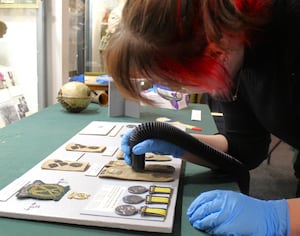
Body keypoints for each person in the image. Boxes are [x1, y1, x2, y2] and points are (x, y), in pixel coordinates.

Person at [104, 0, 300, 235]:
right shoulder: (235, 57)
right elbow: (245, 148)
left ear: (216, 50)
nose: (181, 90)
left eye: (177, 82)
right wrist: (180, 144)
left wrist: (280, 218)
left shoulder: (291, 29)